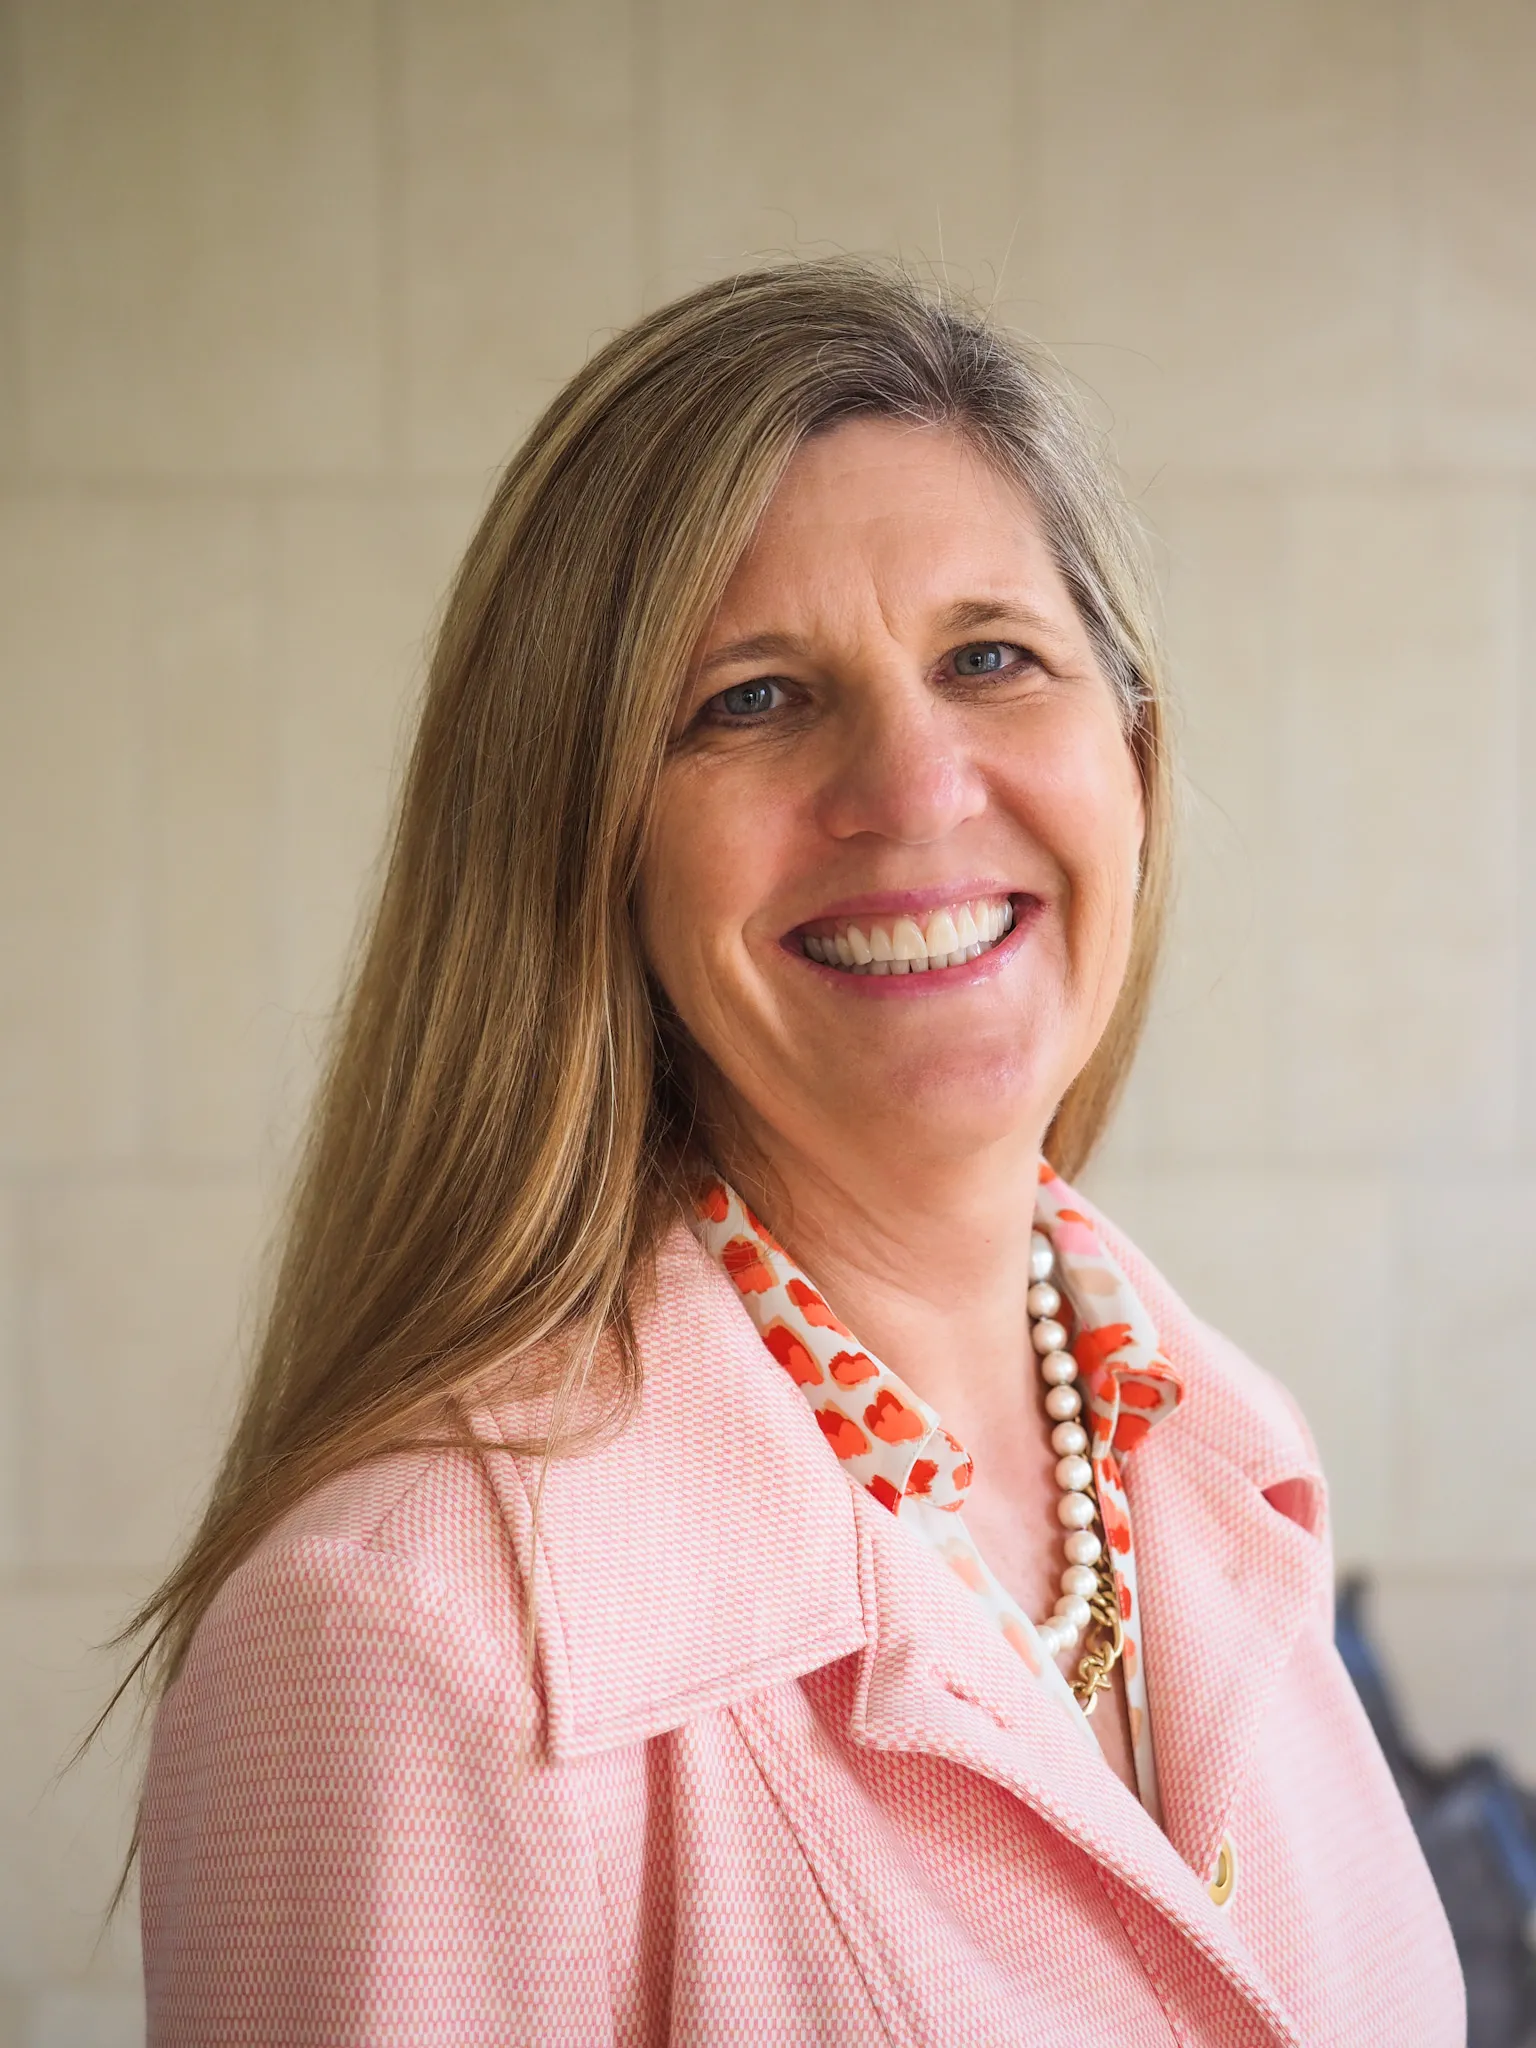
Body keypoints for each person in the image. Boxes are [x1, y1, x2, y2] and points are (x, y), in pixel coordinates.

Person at [132, 260, 1463, 2045]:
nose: (914, 788)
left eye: (992, 657)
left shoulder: (1230, 1467)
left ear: (1131, 755)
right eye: (753, 699)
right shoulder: (403, 1637)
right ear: (581, 843)